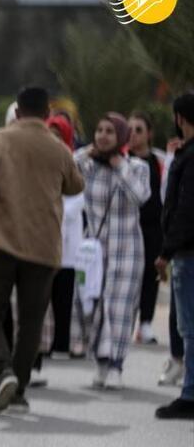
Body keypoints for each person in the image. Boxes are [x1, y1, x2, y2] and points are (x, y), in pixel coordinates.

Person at [0, 87, 84, 413]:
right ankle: (18, 391)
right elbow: (76, 185)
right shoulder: (58, 149)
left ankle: (3, 370)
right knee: (30, 321)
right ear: (47, 115)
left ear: (17, 113)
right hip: (43, 249)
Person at [72, 113, 151, 389]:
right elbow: (67, 167)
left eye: (110, 131)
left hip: (126, 251)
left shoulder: (137, 167)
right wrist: (88, 151)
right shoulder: (88, 165)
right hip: (93, 253)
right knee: (89, 307)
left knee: (118, 308)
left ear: (121, 137)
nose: (103, 135)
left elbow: (139, 196)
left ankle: (116, 364)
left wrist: (120, 166)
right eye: (99, 130)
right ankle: (100, 361)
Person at [154, 92, 194, 419]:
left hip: (188, 253)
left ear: (180, 118)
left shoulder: (190, 158)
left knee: (189, 327)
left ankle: (191, 393)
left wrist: (166, 252)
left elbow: (184, 211)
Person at [46, 114, 84, 357]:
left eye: (59, 136)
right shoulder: (40, 161)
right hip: (45, 235)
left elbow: (79, 195)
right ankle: (45, 343)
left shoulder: (74, 161)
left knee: (65, 292)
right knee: (44, 292)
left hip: (68, 236)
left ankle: (62, 341)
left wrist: (57, 211)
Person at [127, 111, 166, 344]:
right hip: (130, 226)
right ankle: (127, 322)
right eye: (130, 130)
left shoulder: (158, 161)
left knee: (150, 275)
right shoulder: (122, 160)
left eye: (139, 130)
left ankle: (146, 323)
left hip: (153, 228)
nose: (133, 135)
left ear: (149, 134)